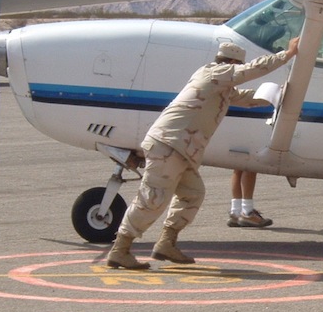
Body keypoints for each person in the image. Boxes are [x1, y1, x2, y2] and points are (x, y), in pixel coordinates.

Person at [106, 37, 300, 270]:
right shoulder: (213, 73)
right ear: (229, 62)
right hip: (170, 145)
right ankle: (120, 249)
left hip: (182, 151)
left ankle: (167, 243)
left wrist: (281, 95)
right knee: (152, 198)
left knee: (193, 194)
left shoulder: (221, 87)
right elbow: (250, 70)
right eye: (236, 66)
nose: (237, 70)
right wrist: (287, 55)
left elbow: (248, 99)